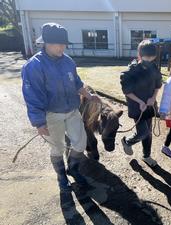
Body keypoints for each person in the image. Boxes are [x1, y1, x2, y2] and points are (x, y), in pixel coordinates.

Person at [22, 23, 101, 192]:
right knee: (57, 147)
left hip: (72, 110)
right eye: (59, 44)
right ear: (46, 43)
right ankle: (61, 176)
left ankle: (72, 169)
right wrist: (38, 122)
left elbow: (77, 83)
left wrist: (89, 95)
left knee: (80, 143)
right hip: (51, 114)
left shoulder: (68, 61)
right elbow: (32, 96)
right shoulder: (33, 66)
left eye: (64, 43)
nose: (63, 47)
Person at [120, 40, 162, 167]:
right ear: (139, 55)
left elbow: (157, 85)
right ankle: (127, 141)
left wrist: (153, 98)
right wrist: (140, 102)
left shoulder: (154, 68)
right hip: (137, 107)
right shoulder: (132, 71)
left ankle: (146, 156)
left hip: (149, 106)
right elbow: (127, 91)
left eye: (151, 57)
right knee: (143, 132)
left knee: (148, 133)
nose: (149, 59)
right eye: (146, 56)